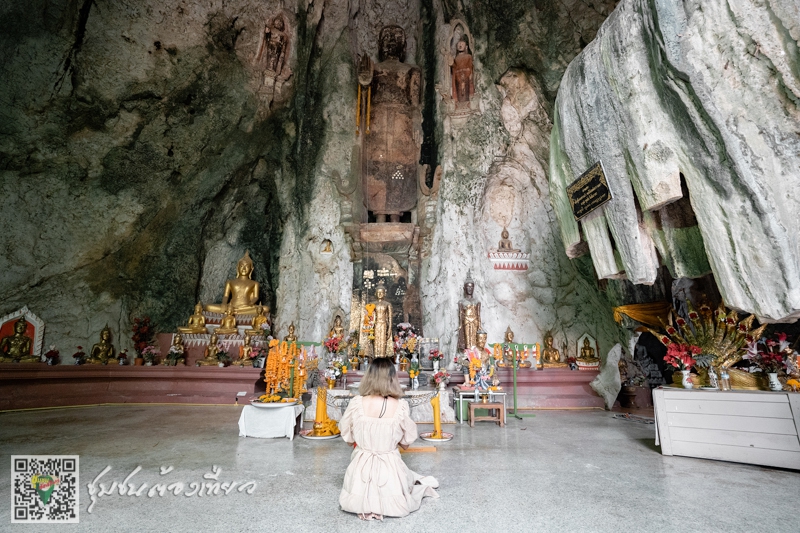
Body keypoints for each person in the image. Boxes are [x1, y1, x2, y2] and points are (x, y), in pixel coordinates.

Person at [339, 357, 439, 520]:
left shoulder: (357, 403)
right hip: (390, 469)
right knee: (405, 485)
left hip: (360, 469)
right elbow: (407, 442)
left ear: (369, 376)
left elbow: (348, 437)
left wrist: (365, 443)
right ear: (393, 378)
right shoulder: (400, 406)